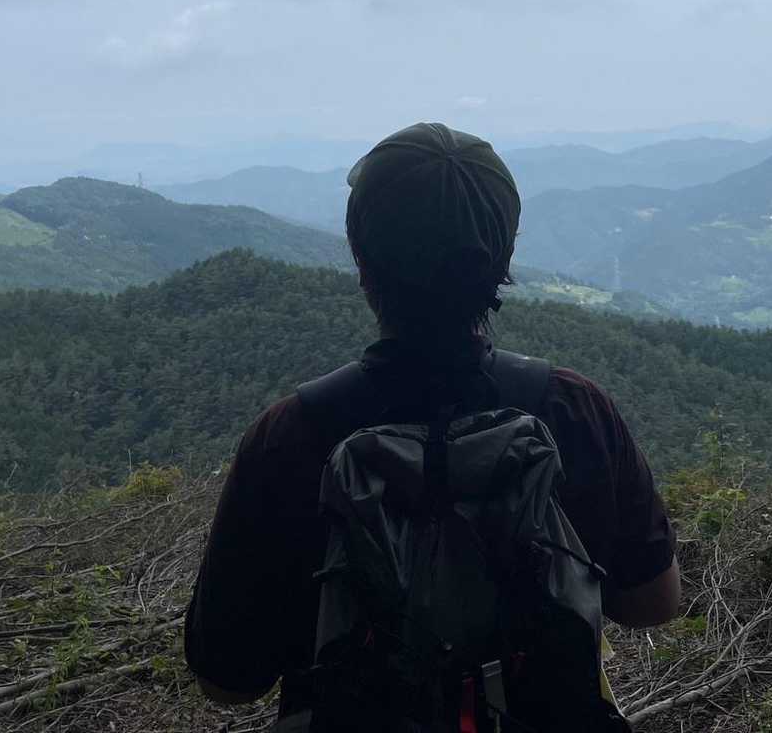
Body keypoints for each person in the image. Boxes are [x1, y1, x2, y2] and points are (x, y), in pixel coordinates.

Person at [184, 121, 680, 726]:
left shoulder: (290, 437)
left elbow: (227, 681)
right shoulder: (574, 411)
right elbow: (653, 603)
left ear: (362, 260)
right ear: (501, 260)